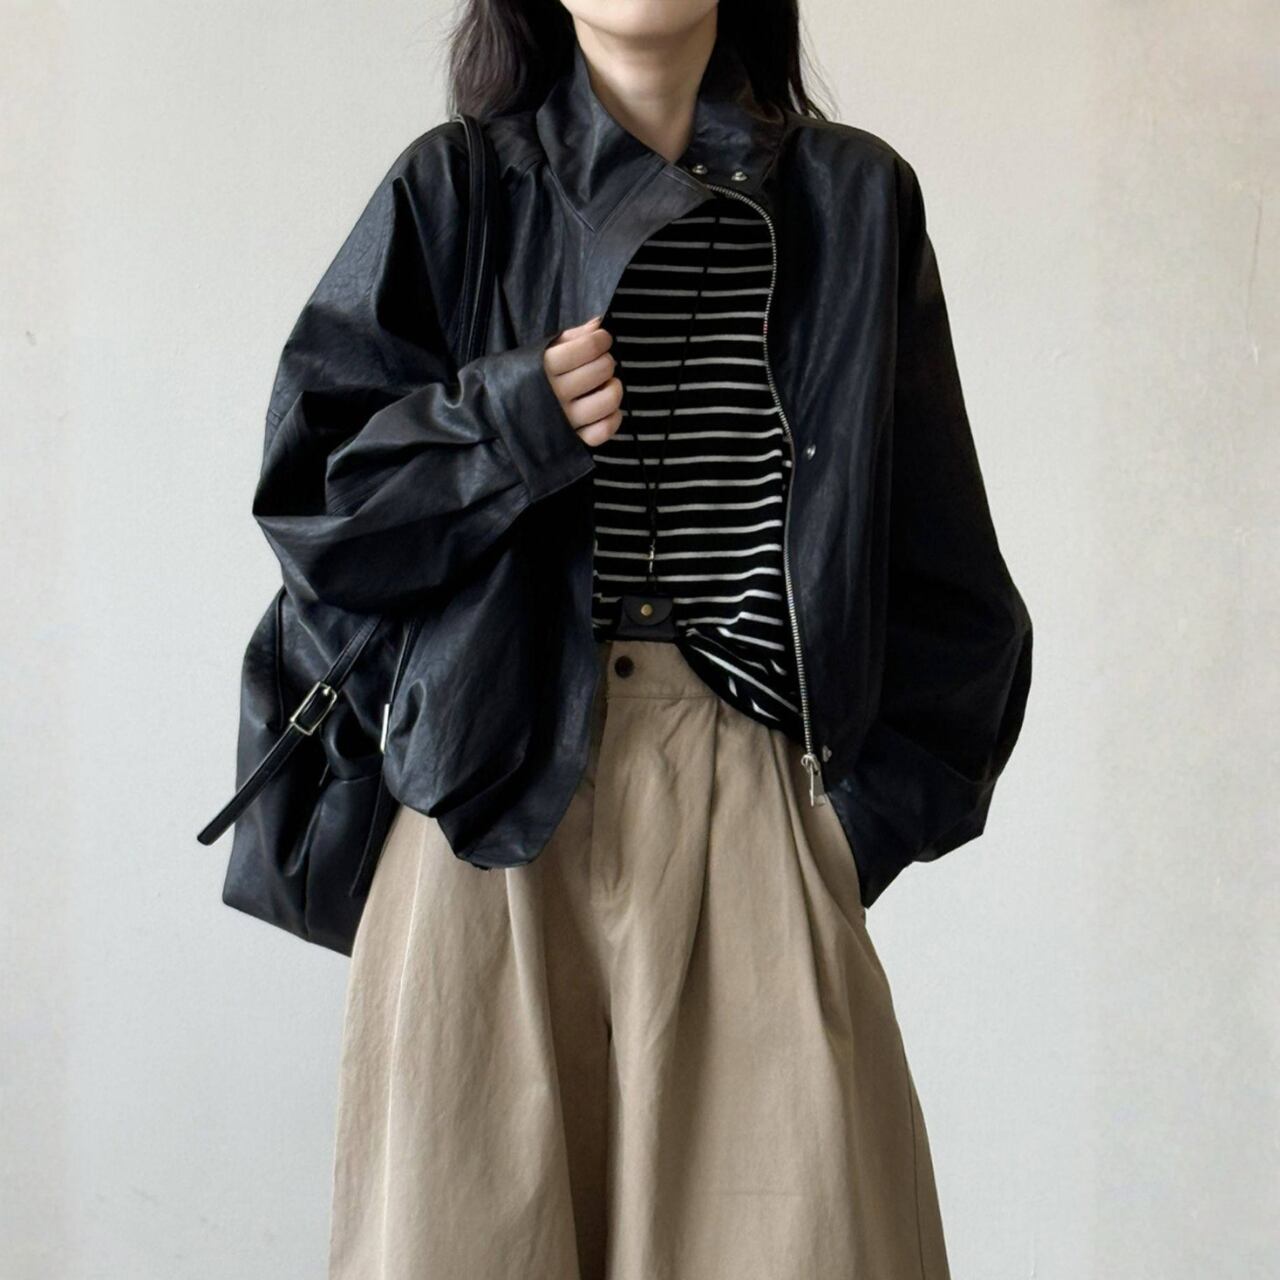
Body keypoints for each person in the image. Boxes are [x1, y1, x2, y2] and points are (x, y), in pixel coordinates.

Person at [250, 3, 1033, 1276]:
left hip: (754, 806)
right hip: (484, 810)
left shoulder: (853, 201)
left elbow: (950, 588)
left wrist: (846, 830)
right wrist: (506, 427)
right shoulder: (455, 189)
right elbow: (316, 512)